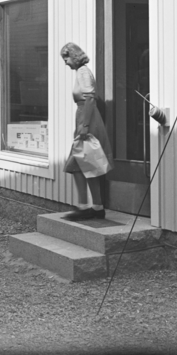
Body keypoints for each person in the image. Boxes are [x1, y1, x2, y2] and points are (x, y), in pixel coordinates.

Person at [60, 42, 114, 221]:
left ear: (74, 56)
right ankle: (96, 207)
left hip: (87, 119)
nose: (65, 62)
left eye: (66, 58)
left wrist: (84, 125)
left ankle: (84, 207)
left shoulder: (83, 72)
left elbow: (90, 99)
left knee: (77, 163)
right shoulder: (81, 72)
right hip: (85, 117)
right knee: (86, 163)